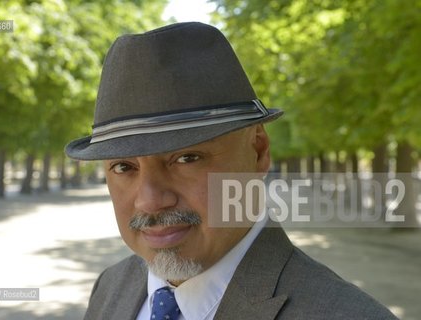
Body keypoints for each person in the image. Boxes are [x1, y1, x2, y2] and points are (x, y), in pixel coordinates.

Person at [65, 22, 397, 320]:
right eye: (124, 167)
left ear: (258, 151)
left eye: (187, 158)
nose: (150, 201)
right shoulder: (110, 288)